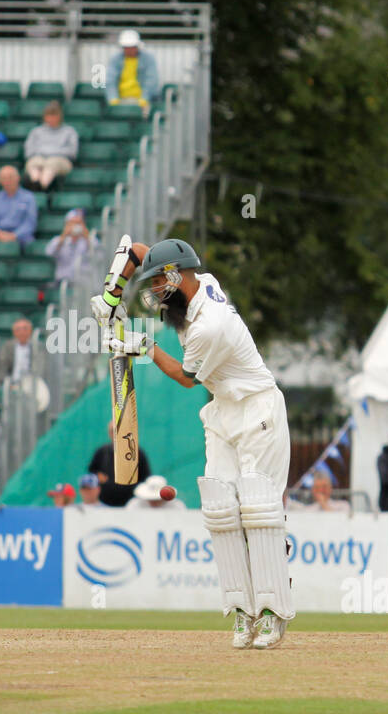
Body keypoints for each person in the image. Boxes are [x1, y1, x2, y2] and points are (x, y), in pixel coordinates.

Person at [94, 237, 292, 649]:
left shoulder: (210, 324)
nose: (153, 294)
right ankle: (241, 614)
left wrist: (142, 346)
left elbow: (186, 379)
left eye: (158, 285)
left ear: (176, 278)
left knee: (257, 509)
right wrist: (113, 292)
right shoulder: (192, 283)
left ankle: (272, 614)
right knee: (221, 510)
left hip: (258, 409)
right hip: (224, 410)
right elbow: (139, 249)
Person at [87, 419, 151, 508]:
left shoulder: (138, 453)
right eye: (113, 431)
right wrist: (98, 476)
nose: (116, 434)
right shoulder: (102, 452)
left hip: (130, 504)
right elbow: (92, 471)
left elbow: (145, 477)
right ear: (109, 433)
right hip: (105, 503)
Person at [23, 101, 79, 190]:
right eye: (49, 115)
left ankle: (41, 187)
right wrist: (45, 154)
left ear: (60, 116)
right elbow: (28, 152)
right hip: (39, 159)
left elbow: (72, 152)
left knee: (51, 163)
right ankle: (35, 183)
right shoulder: (36, 131)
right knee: (34, 163)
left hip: (61, 161)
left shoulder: (69, 131)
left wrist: (49, 153)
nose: (52, 119)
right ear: (45, 117)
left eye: (54, 115)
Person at [107, 30, 160, 117]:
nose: (129, 49)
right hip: (120, 101)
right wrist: (113, 99)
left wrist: (144, 99)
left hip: (142, 101)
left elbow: (151, 80)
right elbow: (110, 80)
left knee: (144, 117)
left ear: (137, 46)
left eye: (132, 47)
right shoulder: (115, 59)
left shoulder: (148, 59)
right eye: (126, 47)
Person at [44, 208, 101, 285]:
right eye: (72, 223)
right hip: (63, 282)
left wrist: (86, 235)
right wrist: (64, 235)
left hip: (83, 284)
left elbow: (100, 255)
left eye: (78, 223)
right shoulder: (58, 240)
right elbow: (49, 253)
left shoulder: (91, 239)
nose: (75, 226)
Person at [0, 166, 37, 247]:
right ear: (0, 181)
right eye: (4, 178)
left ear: (18, 178)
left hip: (21, 237)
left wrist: (14, 235)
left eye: (11, 177)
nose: (8, 181)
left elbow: (30, 223)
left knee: (30, 243)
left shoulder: (29, 198)